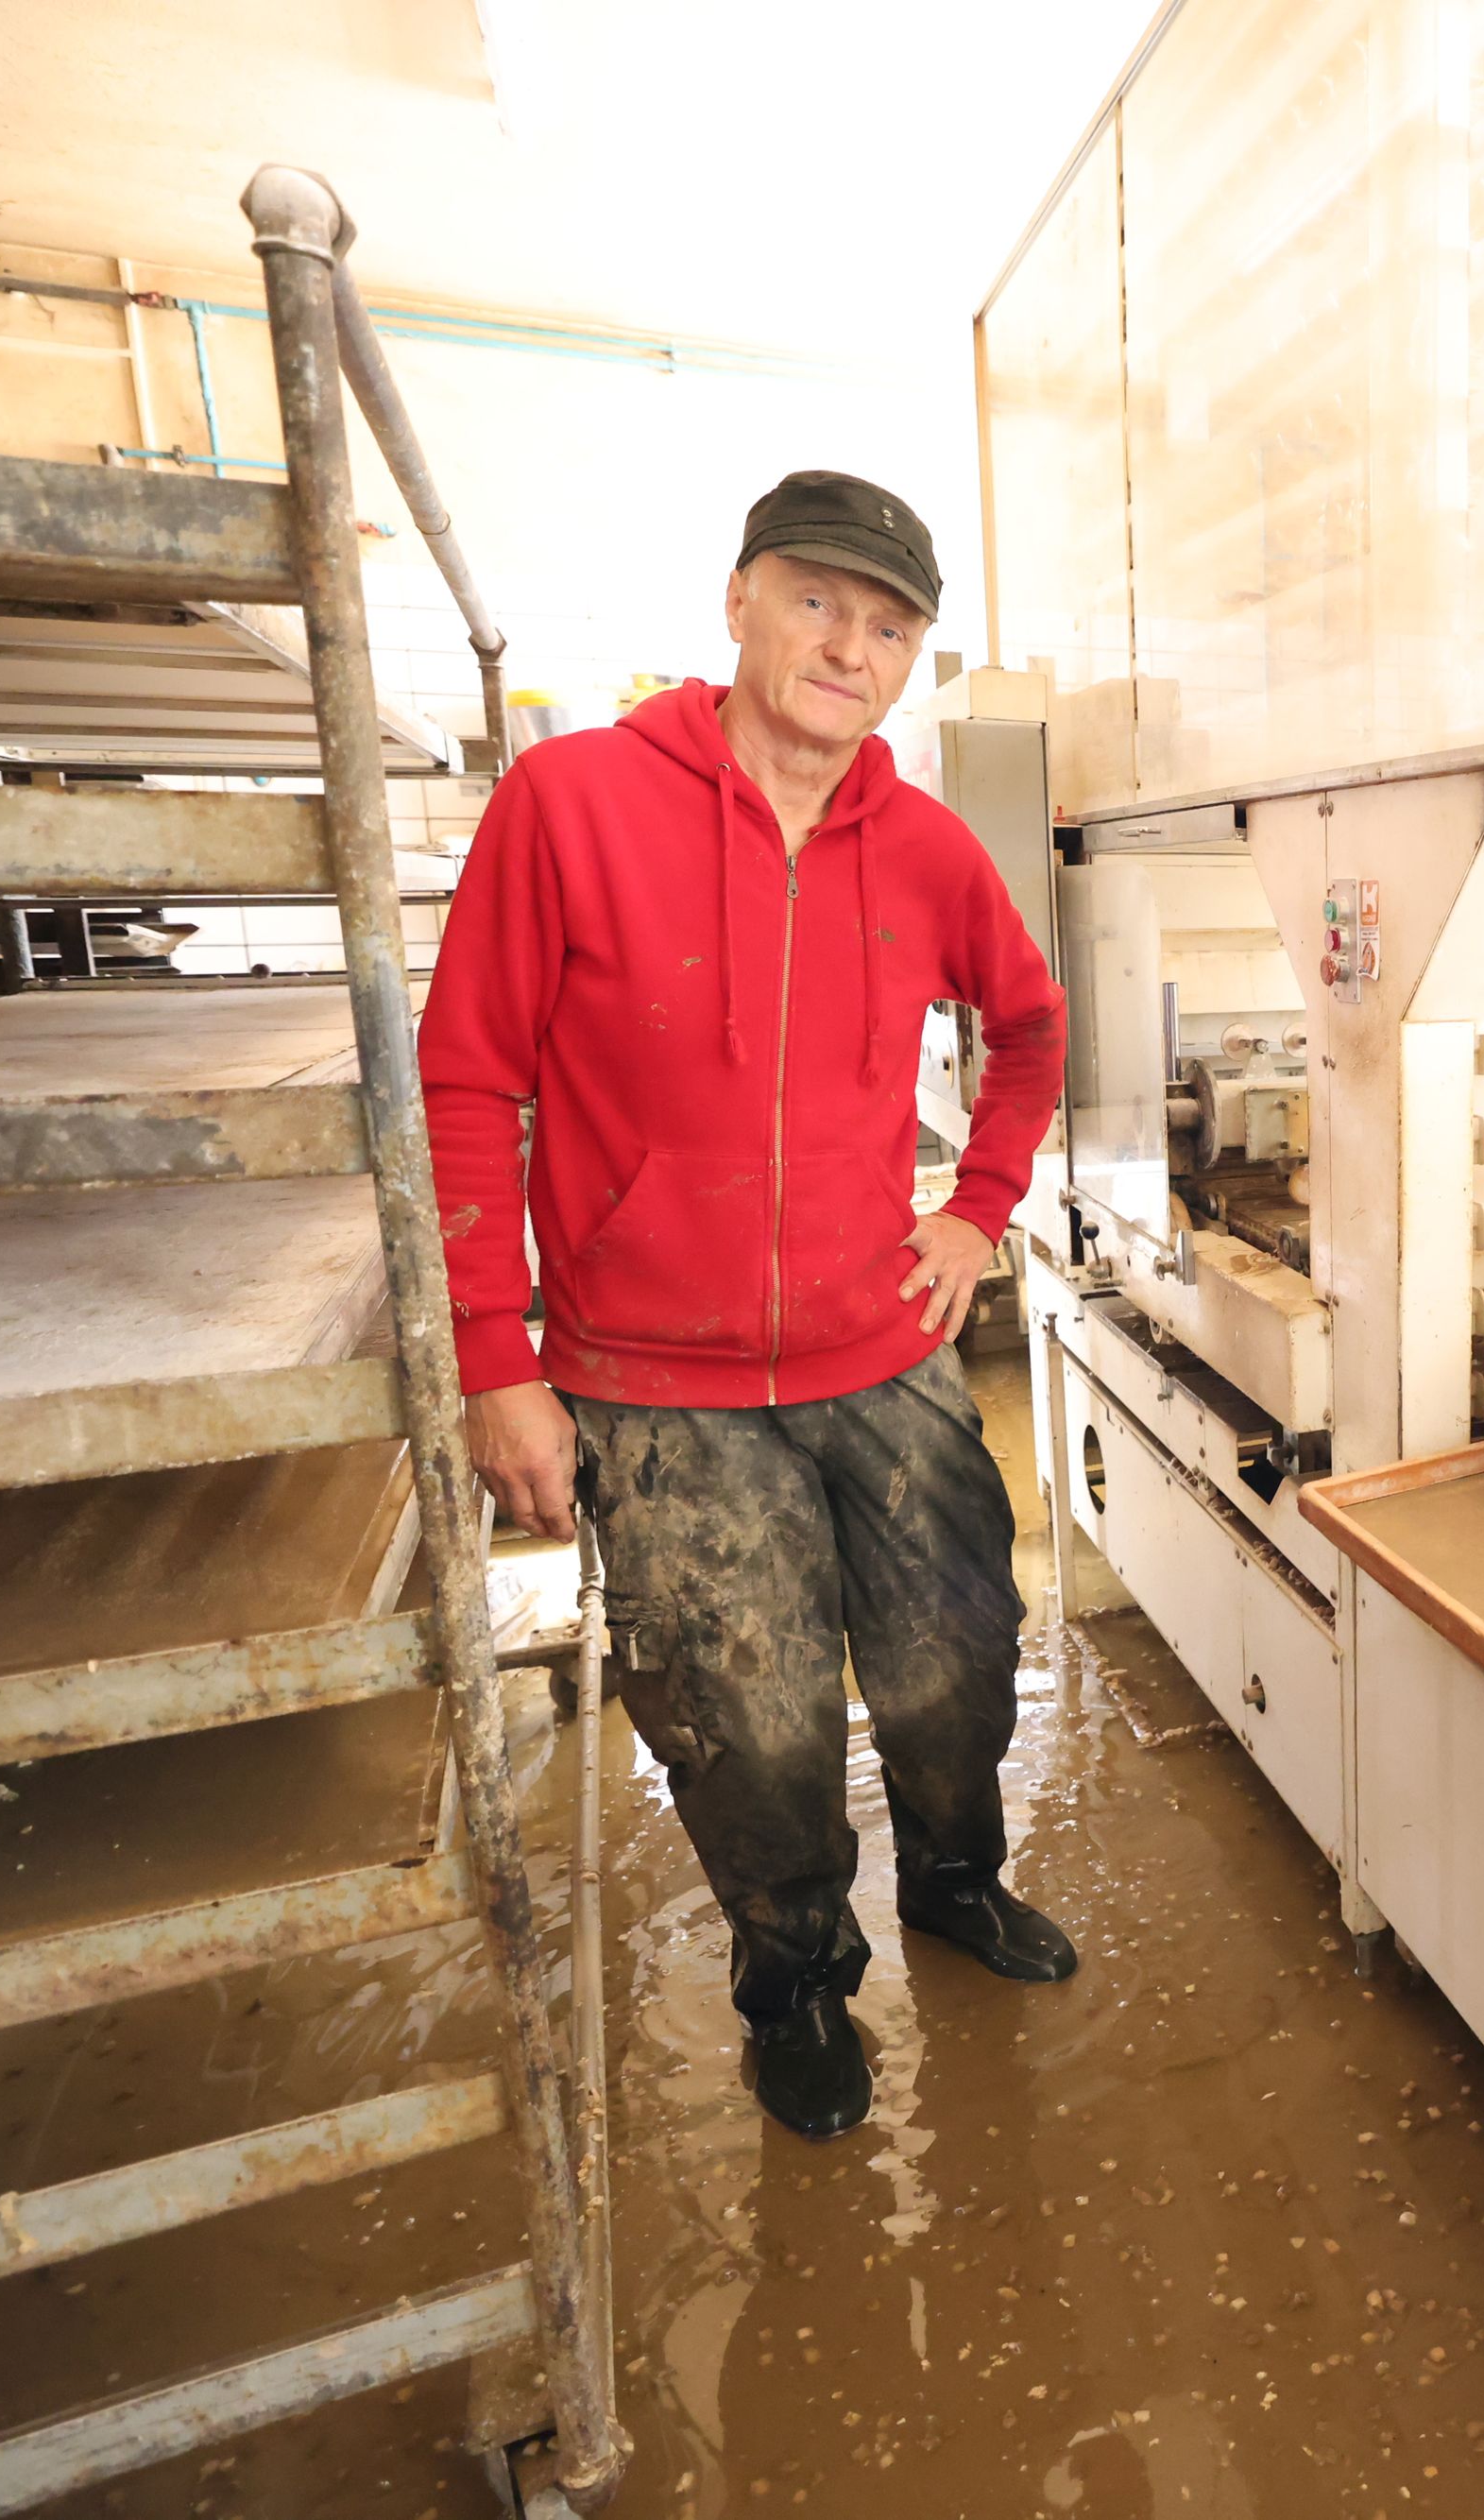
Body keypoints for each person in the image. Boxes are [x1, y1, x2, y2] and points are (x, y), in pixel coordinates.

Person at [420, 471, 1075, 2140]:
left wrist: (977, 1211)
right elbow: (462, 1084)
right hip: (653, 1380)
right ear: (737, 601)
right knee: (744, 1721)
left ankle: (951, 1879)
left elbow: (1034, 1027)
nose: (848, 647)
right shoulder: (570, 803)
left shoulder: (922, 847)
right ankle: (794, 1982)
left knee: (957, 1662)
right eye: (816, 602)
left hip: (885, 1351)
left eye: (888, 625)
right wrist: (497, 1361)